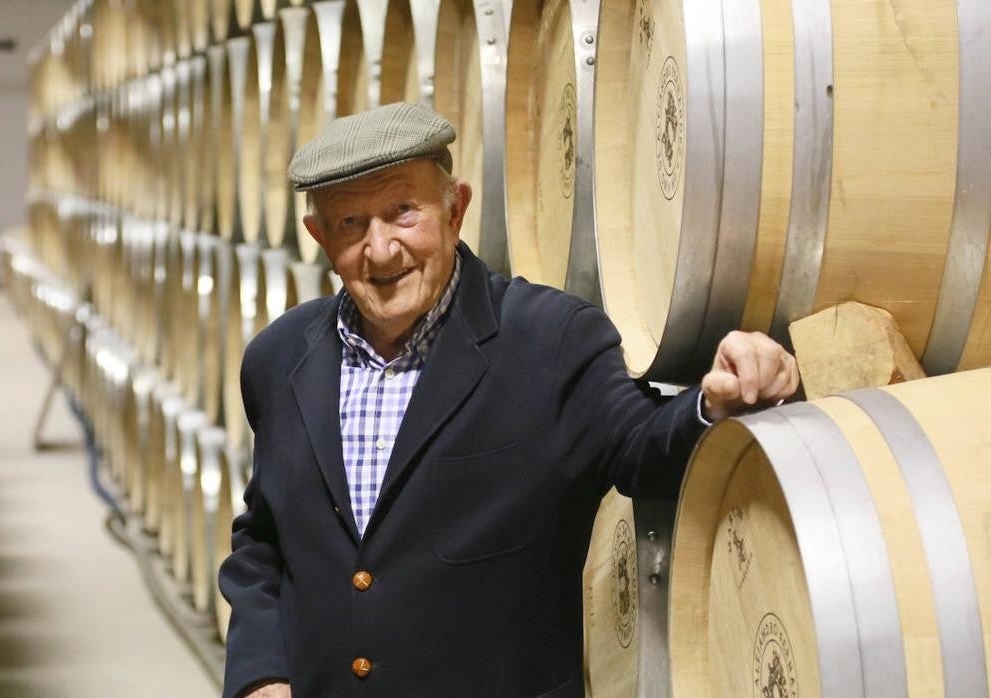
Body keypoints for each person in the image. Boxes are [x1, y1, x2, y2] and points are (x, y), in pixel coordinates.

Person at [218, 102, 798, 698]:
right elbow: (265, 539)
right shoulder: (280, 358)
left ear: (456, 209)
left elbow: (641, 447)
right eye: (351, 224)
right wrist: (260, 673)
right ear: (319, 236)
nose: (382, 249)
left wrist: (717, 402)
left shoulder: (550, 339)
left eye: (403, 212)